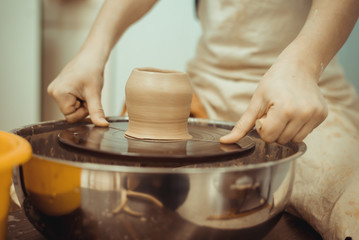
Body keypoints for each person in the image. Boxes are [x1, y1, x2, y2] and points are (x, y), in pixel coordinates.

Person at [47, 0, 359, 239]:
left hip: (298, 91)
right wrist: (92, 51)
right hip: (206, 90)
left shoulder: (302, 78)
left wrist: (304, 66)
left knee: (350, 204)